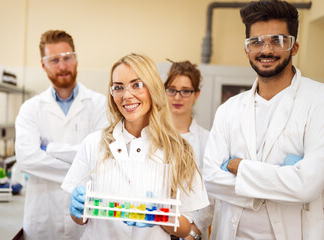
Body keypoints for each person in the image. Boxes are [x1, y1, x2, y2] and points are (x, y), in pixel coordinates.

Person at [203, 0, 324, 239]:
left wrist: (238, 167)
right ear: (247, 49)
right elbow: (211, 179)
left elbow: (307, 185)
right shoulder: (229, 110)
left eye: (278, 40)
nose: (266, 50)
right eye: (256, 42)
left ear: (294, 47)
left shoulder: (318, 100)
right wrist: (282, 176)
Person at [61, 53, 210, 240]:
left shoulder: (180, 150)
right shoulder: (94, 143)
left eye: (137, 85)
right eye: (118, 87)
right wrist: (77, 209)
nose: (127, 95)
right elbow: (79, 219)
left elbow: (185, 227)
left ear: (153, 89)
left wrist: (160, 215)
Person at [15, 30, 107, 240]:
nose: (62, 65)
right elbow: (26, 158)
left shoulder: (100, 105)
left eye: (67, 58)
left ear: (76, 59)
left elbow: (102, 158)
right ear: (43, 65)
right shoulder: (30, 109)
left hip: (86, 222)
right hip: (43, 219)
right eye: (54, 60)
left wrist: (49, 150)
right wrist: (82, 164)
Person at [164, 60, 212, 240]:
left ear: (196, 94)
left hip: (192, 232)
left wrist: (192, 233)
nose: (177, 97)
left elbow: (211, 193)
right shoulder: (152, 136)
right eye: (172, 90)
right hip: (155, 227)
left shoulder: (207, 140)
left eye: (185, 91)